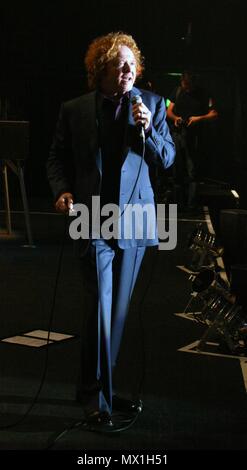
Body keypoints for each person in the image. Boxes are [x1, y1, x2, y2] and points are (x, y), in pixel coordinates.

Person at [47, 32, 175, 433]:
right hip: (92, 218)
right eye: (119, 64)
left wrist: (150, 130)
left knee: (117, 314)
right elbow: (56, 157)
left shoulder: (151, 105)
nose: (128, 70)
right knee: (99, 309)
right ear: (100, 70)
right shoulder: (75, 109)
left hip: (135, 221)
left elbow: (167, 160)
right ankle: (96, 398)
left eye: (132, 64)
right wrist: (62, 190)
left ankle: (99, 387)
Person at [167, 70, 218, 212]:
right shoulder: (177, 91)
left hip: (194, 137)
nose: (186, 88)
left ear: (194, 83)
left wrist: (199, 119)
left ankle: (191, 205)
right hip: (178, 135)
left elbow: (214, 113)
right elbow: (168, 110)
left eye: (188, 85)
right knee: (177, 171)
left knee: (193, 172)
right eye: (184, 85)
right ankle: (178, 205)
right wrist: (175, 118)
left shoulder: (204, 94)